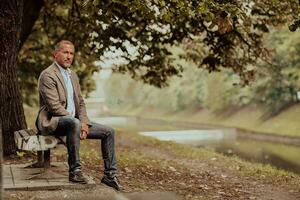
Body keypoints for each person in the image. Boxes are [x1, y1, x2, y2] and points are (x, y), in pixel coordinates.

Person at [35, 40, 122, 191]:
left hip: (74, 122)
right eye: (65, 52)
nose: (69, 56)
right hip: (53, 122)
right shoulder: (47, 75)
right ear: (55, 54)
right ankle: (75, 171)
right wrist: (77, 122)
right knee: (73, 123)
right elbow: (54, 107)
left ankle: (109, 175)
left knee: (109, 132)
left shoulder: (73, 75)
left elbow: (80, 103)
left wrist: (85, 122)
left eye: (71, 53)